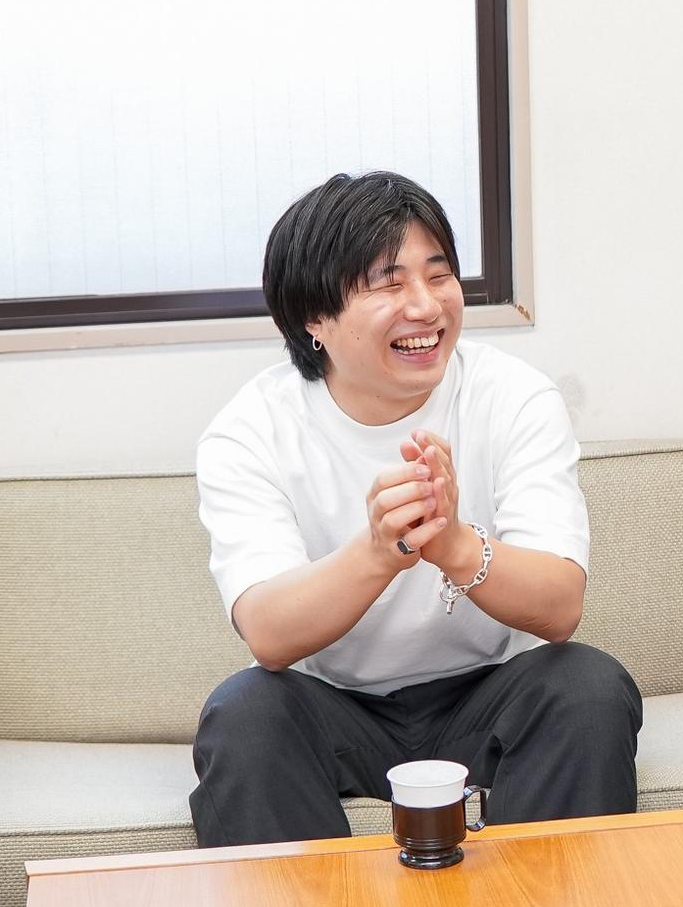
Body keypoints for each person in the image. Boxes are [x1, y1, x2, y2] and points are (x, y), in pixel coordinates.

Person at [189, 171, 642, 847]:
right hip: (337, 710)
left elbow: (559, 607)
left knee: (588, 686)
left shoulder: (513, 398)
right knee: (244, 713)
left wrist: (455, 546)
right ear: (314, 317)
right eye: (389, 283)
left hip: (488, 692)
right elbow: (269, 634)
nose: (426, 307)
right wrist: (379, 553)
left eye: (439, 275)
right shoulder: (251, 430)